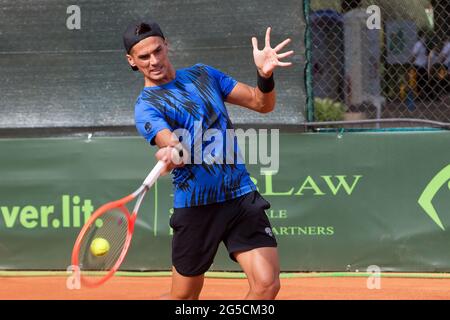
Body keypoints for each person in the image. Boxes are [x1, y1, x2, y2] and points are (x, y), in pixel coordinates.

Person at [123, 19, 294, 300]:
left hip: (240, 195)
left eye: (157, 51)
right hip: (197, 206)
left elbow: (261, 104)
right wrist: (172, 152)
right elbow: (172, 143)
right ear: (132, 61)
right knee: (185, 298)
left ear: (167, 46)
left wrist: (264, 76)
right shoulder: (147, 106)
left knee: (267, 285)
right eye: (144, 57)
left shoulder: (204, 75)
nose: (154, 61)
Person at [410, 31, 428, 99]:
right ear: (421, 37)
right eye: (424, 36)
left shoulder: (424, 45)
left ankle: (422, 95)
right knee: (420, 80)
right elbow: (414, 54)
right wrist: (411, 63)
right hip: (418, 65)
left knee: (423, 80)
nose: (425, 38)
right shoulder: (418, 44)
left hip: (423, 65)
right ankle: (419, 95)